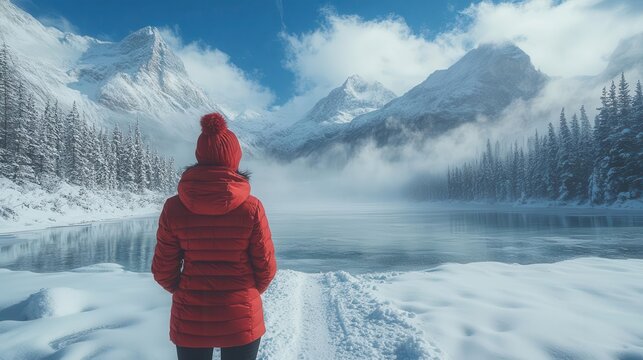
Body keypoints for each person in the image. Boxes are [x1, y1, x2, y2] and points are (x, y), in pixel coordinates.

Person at [152, 112, 277, 360]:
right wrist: (246, 294)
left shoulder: (174, 207)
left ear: (200, 156)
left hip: (190, 318)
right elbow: (266, 266)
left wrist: (184, 290)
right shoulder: (251, 207)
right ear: (234, 158)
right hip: (241, 316)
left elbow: (163, 269)